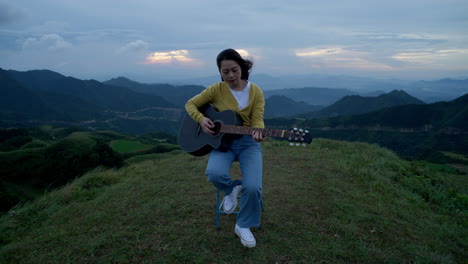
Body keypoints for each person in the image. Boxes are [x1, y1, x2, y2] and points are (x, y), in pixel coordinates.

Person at [185, 48, 265, 248]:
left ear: (242, 68)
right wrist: (202, 119)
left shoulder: (255, 91)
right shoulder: (216, 89)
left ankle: (243, 225)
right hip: (222, 144)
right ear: (220, 72)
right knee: (214, 174)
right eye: (225, 71)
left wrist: (258, 133)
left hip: (248, 144)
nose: (230, 75)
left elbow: (258, 120)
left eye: (234, 70)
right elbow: (190, 105)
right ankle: (232, 188)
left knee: (254, 187)